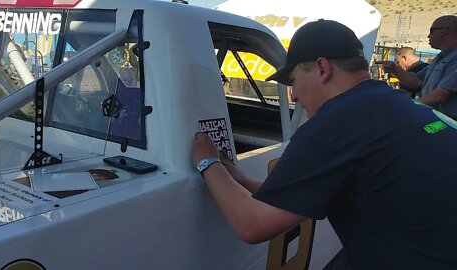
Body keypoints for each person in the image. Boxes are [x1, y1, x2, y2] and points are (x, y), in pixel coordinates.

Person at [191, 19, 457, 270]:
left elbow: (251, 225)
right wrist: (238, 177)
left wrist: (208, 162)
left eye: (294, 80)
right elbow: (306, 188)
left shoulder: (334, 125)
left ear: (322, 68)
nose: (294, 95)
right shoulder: (395, 103)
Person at [382, 15, 457, 119]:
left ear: (443, 31)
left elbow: (440, 95)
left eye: (432, 31)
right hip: (435, 121)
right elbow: (416, 81)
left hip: (449, 127)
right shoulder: (439, 58)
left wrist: (409, 106)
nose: (428, 36)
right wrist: (395, 68)